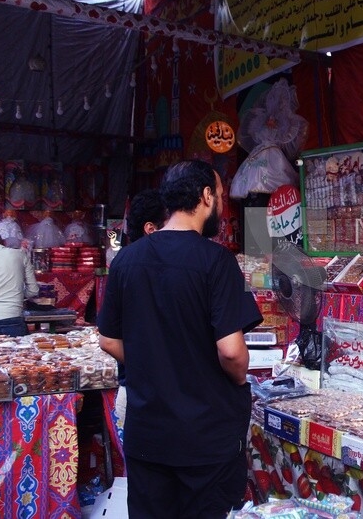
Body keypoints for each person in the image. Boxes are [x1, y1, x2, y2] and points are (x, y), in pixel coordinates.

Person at [98, 160, 262, 518]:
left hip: (148, 437)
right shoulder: (216, 261)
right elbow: (232, 352)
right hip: (205, 439)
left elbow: (108, 340)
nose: (219, 203)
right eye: (218, 195)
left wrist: (152, 362)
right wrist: (234, 376)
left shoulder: (126, 260)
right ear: (205, 197)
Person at [114, 189, 169, 437]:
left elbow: (108, 339)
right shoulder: (170, 268)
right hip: (161, 396)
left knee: (140, 473)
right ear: (151, 228)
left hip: (133, 390)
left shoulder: (121, 263)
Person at [0, 230, 39, 336]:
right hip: (12, 316)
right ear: (3, 242)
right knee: (17, 352)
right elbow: (33, 291)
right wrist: (18, 294)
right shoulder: (20, 254)